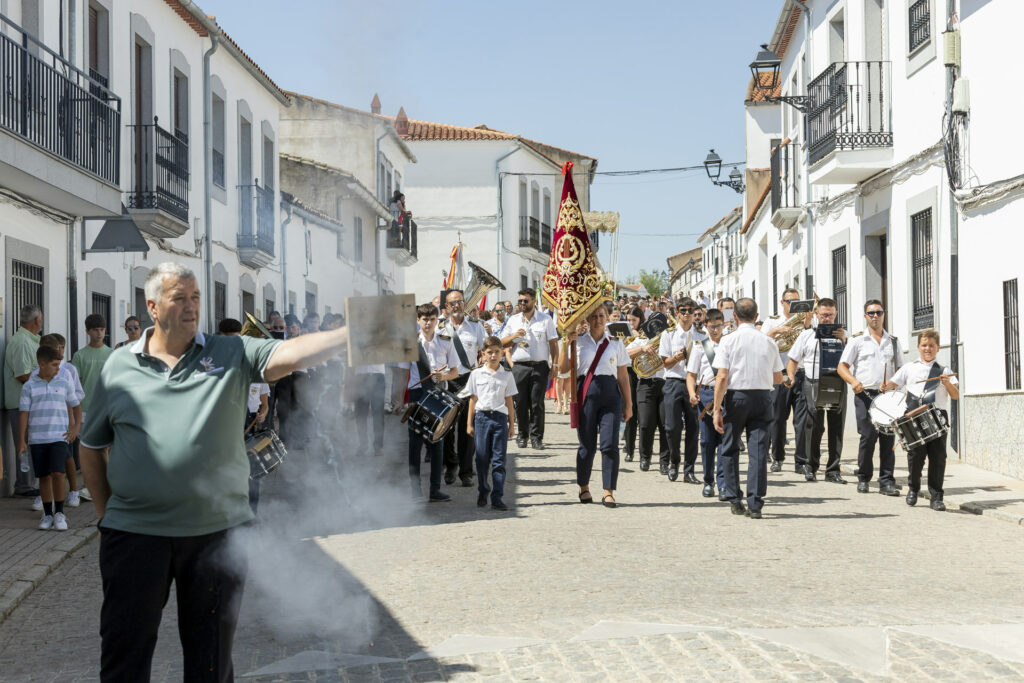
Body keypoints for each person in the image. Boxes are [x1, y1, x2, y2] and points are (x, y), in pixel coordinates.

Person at [79, 262, 356, 681]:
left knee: (210, 661)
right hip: (135, 536)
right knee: (124, 657)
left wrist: (350, 334)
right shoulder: (119, 365)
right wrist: (107, 517)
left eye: (195, 297)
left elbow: (289, 353)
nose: (191, 307)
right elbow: (91, 445)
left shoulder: (230, 352)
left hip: (215, 534)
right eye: (179, 298)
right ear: (153, 307)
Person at [712, 298, 783, 519]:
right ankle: (756, 503)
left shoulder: (728, 340)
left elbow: (722, 376)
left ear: (734, 316)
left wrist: (716, 408)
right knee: (759, 451)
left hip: (736, 396)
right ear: (756, 315)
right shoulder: (768, 342)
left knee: (730, 448)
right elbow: (778, 377)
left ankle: (735, 498)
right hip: (762, 397)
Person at [559, 304, 632, 508]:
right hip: (586, 395)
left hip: (610, 395)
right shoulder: (578, 342)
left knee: (609, 445)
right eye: (594, 316)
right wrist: (566, 344)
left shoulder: (615, 343)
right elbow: (563, 369)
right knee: (587, 446)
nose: (598, 320)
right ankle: (584, 486)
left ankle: (608, 491)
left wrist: (629, 404)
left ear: (608, 317)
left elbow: (624, 377)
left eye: (602, 316)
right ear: (587, 319)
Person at [881, 329, 958, 511]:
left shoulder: (944, 370)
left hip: (937, 417)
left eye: (931, 345)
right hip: (913, 417)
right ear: (918, 347)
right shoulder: (909, 367)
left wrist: (947, 383)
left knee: (938, 458)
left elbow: (955, 396)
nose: (928, 349)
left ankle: (936, 496)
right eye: (924, 345)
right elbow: (893, 383)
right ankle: (913, 490)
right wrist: (886, 386)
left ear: (938, 348)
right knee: (915, 457)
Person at [838, 300, 903, 496]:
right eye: (871, 313)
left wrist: (893, 384)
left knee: (888, 438)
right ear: (865, 316)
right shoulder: (857, 341)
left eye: (878, 312)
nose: (875, 316)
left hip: (886, 396)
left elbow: (901, 370)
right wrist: (853, 381)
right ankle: (864, 477)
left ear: (884, 314)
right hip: (865, 395)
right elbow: (842, 366)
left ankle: (886, 481)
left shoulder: (893, 341)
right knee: (868, 437)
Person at [399, 303, 460, 501]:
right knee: (415, 445)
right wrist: (401, 400)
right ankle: (415, 491)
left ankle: (435, 490)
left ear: (437, 320)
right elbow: (402, 374)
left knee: (437, 444)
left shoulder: (445, 340)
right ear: (418, 320)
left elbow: (455, 372)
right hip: (417, 395)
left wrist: (443, 378)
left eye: (432, 319)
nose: (428, 323)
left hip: (438, 395)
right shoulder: (409, 343)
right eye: (424, 319)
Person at [786, 299, 847, 484]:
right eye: (823, 315)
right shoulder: (806, 336)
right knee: (813, 427)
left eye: (830, 315)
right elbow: (793, 361)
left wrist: (844, 340)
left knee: (836, 427)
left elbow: (854, 360)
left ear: (836, 314)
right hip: (813, 382)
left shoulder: (846, 336)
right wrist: (791, 377)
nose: (827, 318)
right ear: (817, 315)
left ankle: (833, 470)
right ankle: (810, 466)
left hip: (838, 383)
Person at [19, 345, 80, 531]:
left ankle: (60, 513)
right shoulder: (29, 386)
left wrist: (75, 428)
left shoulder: (63, 383)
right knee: (44, 477)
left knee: (58, 473)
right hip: (37, 439)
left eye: (59, 364)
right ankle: (47, 514)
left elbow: (76, 405)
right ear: (42, 363)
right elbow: (24, 414)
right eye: (54, 364)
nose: (58, 369)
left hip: (59, 437)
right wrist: (21, 440)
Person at [440, 289, 487, 485]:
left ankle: (466, 471)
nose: (457, 305)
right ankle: (451, 466)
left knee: (468, 427)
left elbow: (485, 350)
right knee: (447, 428)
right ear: (447, 308)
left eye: (460, 302)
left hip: (469, 380)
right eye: (453, 303)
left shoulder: (476, 326)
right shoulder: (440, 328)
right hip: (447, 381)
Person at [502, 289, 558, 450]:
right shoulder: (513, 320)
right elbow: (503, 343)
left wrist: (554, 365)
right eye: (520, 301)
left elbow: (553, 343)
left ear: (533, 301)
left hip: (539, 366)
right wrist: (513, 337)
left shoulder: (545, 320)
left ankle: (536, 437)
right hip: (519, 366)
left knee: (537, 403)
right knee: (520, 403)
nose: (522, 304)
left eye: (525, 301)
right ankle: (522, 435)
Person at [466, 336, 518, 511]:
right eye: (490, 352)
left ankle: (497, 496)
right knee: (481, 459)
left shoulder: (507, 375)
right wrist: (469, 423)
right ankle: (483, 489)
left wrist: (512, 424)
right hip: (481, 419)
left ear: (502, 353)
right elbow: (473, 400)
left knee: (499, 460)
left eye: (497, 352)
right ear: (483, 354)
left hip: (499, 419)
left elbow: (509, 401)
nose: (494, 355)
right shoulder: (476, 374)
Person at [658, 298, 706, 482]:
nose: (686, 313)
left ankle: (689, 470)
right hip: (673, 382)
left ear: (695, 313)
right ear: (677, 312)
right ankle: (674, 461)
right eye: (683, 310)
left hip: (693, 383)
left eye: (690, 310)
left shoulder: (701, 335)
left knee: (694, 428)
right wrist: (678, 357)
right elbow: (665, 363)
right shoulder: (668, 335)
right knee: (671, 427)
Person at [35, 334, 86, 506]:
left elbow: (78, 395)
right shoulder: (38, 371)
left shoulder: (68, 370)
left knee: (66, 456)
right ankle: (44, 495)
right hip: (44, 423)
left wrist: (74, 424)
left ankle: (73, 490)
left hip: (64, 420)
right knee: (45, 461)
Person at [761, 288, 805, 473]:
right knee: (778, 418)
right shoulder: (771, 321)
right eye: (789, 302)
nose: (793, 305)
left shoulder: (805, 321)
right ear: (782, 303)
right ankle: (777, 458)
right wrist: (777, 330)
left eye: (796, 302)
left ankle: (801, 461)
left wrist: (808, 324)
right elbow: (761, 342)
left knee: (802, 420)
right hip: (779, 373)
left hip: (801, 372)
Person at [686, 308, 726, 499]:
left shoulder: (729, 344)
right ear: (706, 326)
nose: (715, 330)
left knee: (725, 442)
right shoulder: (700, 346)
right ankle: (708, 481)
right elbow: (691, 375)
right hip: (706, 395)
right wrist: (692, 393)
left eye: (718, 326)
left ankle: (724, 483)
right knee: (707, 441)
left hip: (726, 395)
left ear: (724, 324)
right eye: (712, 327)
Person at [5, 304, 42, 498]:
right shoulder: (21, 342)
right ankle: (24, 485)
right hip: (21, 403)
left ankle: (27, 483)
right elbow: (22, 375)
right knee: (24, 443)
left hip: (27, 402)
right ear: (37, 320)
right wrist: (44, 377)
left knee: (28, 441)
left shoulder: (29, 340)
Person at [625, 307, 667, 471]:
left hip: (664, 383)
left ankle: (665, 461)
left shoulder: (667, 338)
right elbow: (625, 353)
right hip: (645, 384)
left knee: (665, 424)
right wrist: (642, 349)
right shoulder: (642, 340)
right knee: (645, 423)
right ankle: (645, 457)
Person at [621, 308, 642, 462]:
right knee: (630, 413)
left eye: (634, 320)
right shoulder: (622, 334)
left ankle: (642, 450)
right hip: (628, 374)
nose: (631, 323)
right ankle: (629, 448)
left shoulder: (643, 334)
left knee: (643, 416)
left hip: (642, 375)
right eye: (628, 320)